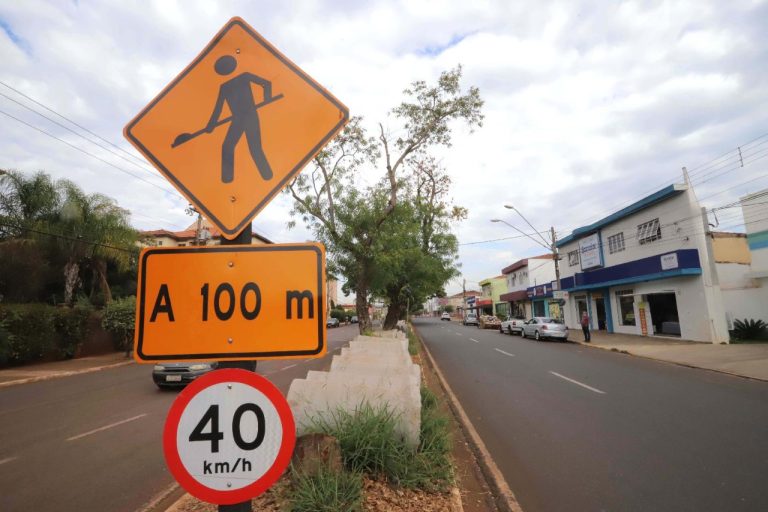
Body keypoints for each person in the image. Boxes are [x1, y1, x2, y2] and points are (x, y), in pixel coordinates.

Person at [205, 55, 274, 183]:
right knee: (227, 147)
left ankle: (268, 176)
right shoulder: (224, 86)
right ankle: (227, 179)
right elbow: (218, 108)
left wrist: (267, 98)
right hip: (237, 119)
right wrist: (210, 126)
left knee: (254, 148)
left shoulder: (244, 77)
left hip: (250, 116)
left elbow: (266, 83)